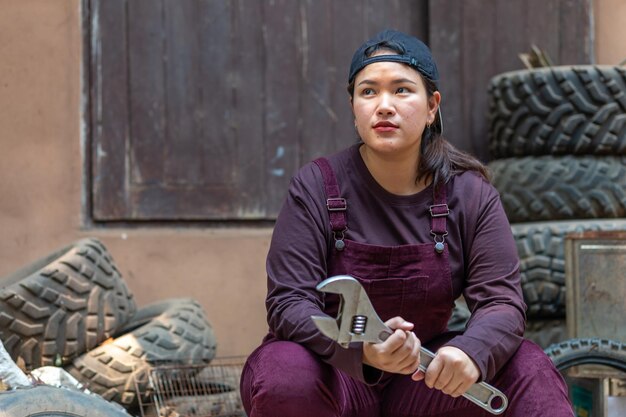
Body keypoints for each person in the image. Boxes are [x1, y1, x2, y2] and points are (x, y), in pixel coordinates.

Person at [240, 29, 574, 417]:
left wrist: (469, 352)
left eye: (401, 90)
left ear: (432, 106)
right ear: (353, 107)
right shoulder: (316, 186)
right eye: (368, 92)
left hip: (426, 383)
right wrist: (361, 351)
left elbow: (501, 301)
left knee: (527, 367)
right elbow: (289, 302)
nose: (384, 106)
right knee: (284, 371)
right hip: (337, 377)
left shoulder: (469, 194)